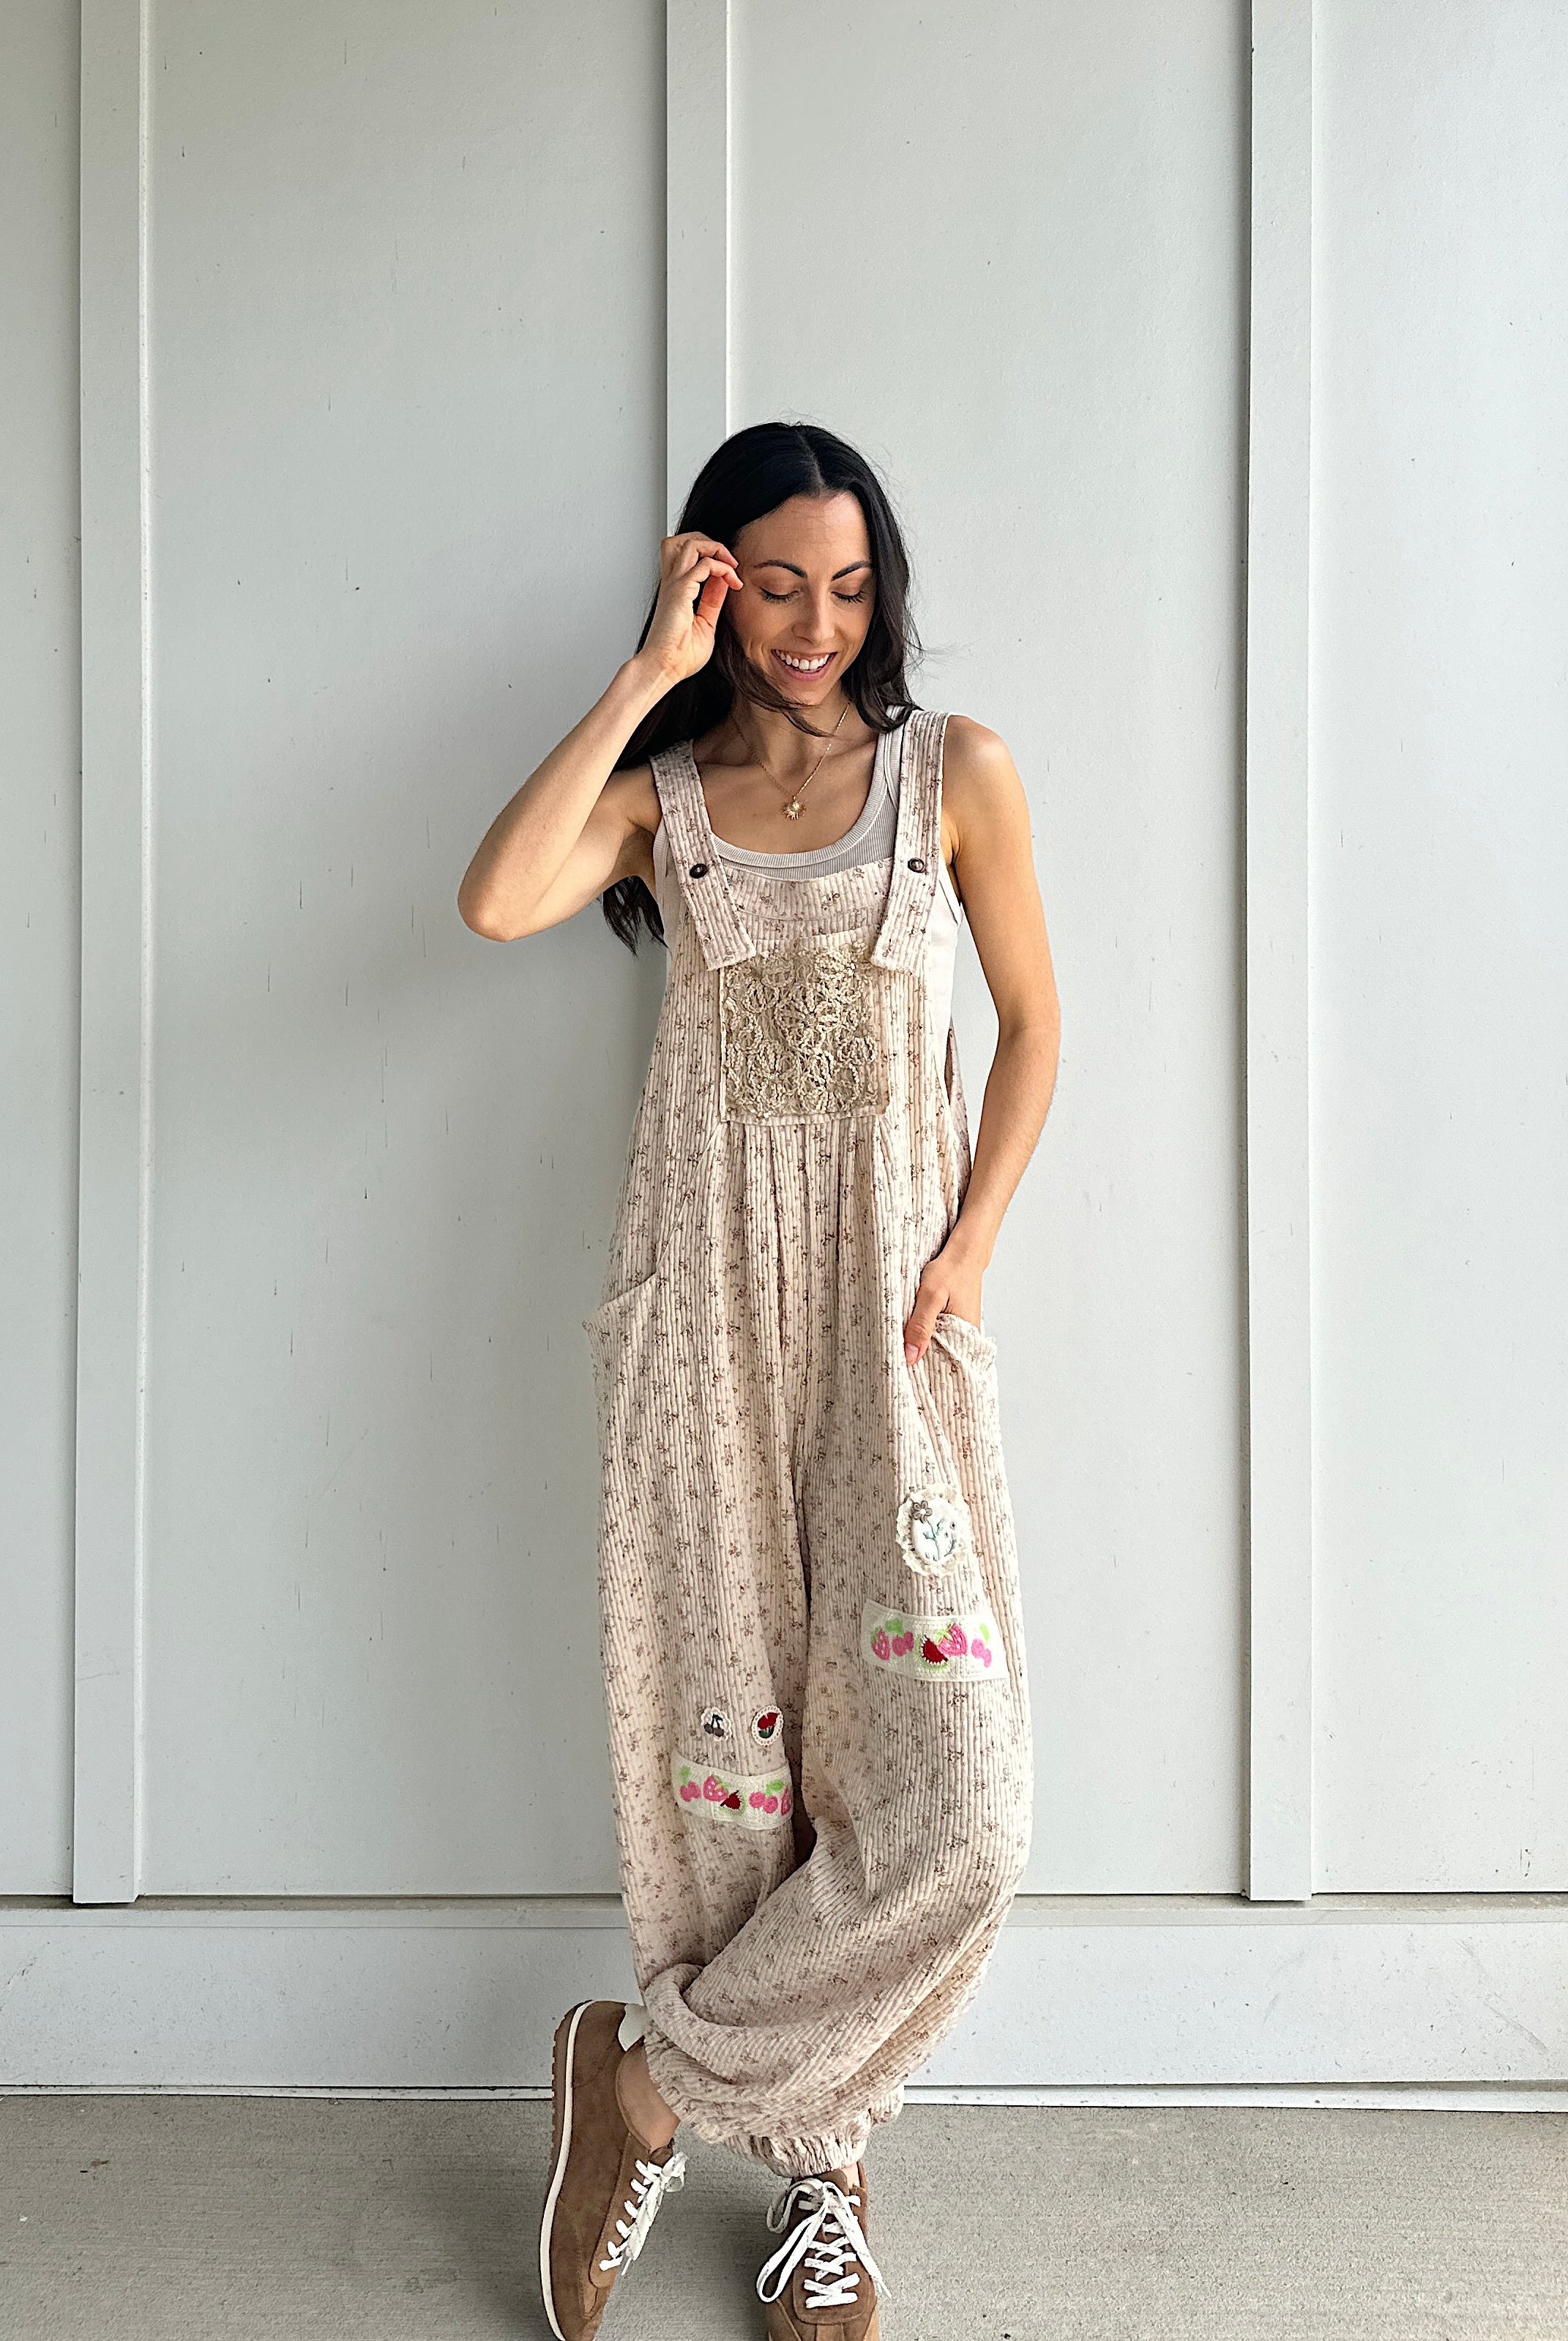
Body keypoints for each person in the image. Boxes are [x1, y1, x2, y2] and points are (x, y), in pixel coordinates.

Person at [459, 421, 1061, 2340]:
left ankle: (638, 2085)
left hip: (893, 1334)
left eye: (853, 586)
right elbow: (494, 900)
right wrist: (647, 674)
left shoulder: (950, 780)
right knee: (738, 1779)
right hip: (700, 1328)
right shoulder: (670, 801)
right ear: (715, 577)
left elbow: (1041, 1025)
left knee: (956, 1809)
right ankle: (824, 2180)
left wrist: (970, 1243)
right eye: (776, 585)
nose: (817, 626)